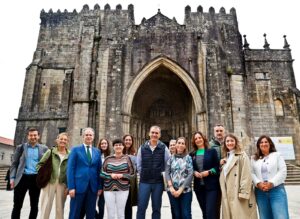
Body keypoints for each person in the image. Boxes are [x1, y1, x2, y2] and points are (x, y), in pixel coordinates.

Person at [10, 127, 48, 219]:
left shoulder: (44, 149)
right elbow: (14, 164)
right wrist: (12, 178)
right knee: (17, 206)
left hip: (35, 179)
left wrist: (45, 178)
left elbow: (47, 165)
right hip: (21, 178)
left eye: (35, 135)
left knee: (34, 206)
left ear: (38, 136)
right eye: (31, 135)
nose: (33, 137)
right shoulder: (21, 147)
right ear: (28, 136)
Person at [67, 127, 102, 219]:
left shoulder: (97, 152)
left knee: (90, 214)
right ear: (83, 137)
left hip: (92, 188)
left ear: (93, 137)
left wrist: (99, 187)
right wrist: (71, 187)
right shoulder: (75, 150)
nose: (88, 136)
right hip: (78, 187)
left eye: (90, 135)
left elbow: (99, 171)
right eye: (86, 135)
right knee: (75, 213)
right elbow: (70, 169)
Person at [251, 135, 289, 219]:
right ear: (258, 145)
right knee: (265, 217)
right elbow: (251, 173)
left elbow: (282, 171)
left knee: (281, 216)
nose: (263, 144)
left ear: (270, 144)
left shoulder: (277, 155)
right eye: (261, 142)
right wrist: (258, 183)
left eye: (266, 142)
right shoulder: (254, 158)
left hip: (277, 190)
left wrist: (271, 183)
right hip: (260, 192)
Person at [219, 134, 257, 219]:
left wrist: (243, 193)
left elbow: (246, 175)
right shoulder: (226, 157)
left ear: (236, 142)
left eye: (232, 140)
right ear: (225, 143)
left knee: (240, 216)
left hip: (238, 192)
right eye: (227, 141)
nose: (229, 143)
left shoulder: (242, 155)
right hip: (228, 193)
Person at [136, 125, 170, 219]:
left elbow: (168, 164)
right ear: (149, 133)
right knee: (141, 207)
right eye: (152, 132)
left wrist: (162, 176)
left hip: (158, 183)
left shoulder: (164, 148)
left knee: (156, 208)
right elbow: (138, 165)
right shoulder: (142, 148)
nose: (154, 134)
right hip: (144, 182)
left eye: (156, 133)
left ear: (160, 135)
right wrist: (144, 173)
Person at [37, 132, 70, 219]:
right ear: (57, 140)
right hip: (49, 182)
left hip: (62, 183)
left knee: (60, 208)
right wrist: (44, 176)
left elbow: (71, 170)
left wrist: (69, 185)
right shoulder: (50, 152)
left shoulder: (70, 154)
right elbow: (39, 165)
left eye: (65, 139)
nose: (63, 141)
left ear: (67, 141)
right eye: (61, 139)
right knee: (46, 206)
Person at [100, 139, 134, 219]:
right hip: (108, 189)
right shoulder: (108, 159)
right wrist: (110, 176)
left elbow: (132, 174)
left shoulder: (127, 159)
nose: (118, 146)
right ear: (113, 147)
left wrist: (122, 175)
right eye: (116, 145)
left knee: (121, 213)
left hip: (123, 189)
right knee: (110, 213)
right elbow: (101, 173)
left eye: (120, 145)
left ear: (123, 147)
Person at [190, 131, 220, 219]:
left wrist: (209, 172)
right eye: (196, 139)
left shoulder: (212, 151)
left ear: (203, 138)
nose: (198, 140)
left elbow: (217, 167)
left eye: (199, 137)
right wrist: (194, 172)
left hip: (211, 186)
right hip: (199, 187)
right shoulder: (192, 154)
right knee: (205, 212)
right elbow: (189, 167)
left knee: (210, 212)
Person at [165, 137, 193, 219]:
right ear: (176, 144)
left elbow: (190, 174)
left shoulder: (188, 158)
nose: (180, 145)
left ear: (185, 146)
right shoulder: (170, 158)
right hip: (172, 191)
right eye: (179, 143)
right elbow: (167, 172)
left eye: (182, 143)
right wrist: (171, 187)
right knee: (176, 214)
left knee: (186, 214)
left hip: (185, 191)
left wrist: (181, 189)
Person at [123, 134, 138, 219]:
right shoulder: (119, 151)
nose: (128, 141)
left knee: (129, 204)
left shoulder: (135, 153)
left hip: (131, 182)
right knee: (121, 205)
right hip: (120, 181)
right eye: (126, 140)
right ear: (123, 141)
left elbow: (138, 167)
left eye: (130, 140)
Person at [95, 138, 111, 219]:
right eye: (102, 144)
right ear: (100, 145)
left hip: (106, 183)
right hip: (96, 181)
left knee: (101, 204)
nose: (104, 145)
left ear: (108, 145)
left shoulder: (111, 156)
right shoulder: (96, 155)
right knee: (92, 204)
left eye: (105, 143)